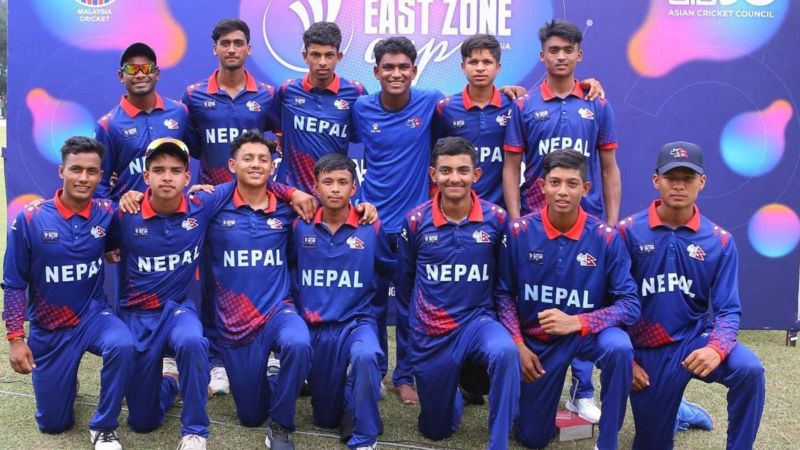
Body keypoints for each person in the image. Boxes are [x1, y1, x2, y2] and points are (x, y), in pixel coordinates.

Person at [502, 20, 622, 421]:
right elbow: (511, 167)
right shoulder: (524, 105)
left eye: (568, 50)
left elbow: (609, 166)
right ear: (542, 56)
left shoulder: (597, 103)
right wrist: (516, 218)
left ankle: (582, 389)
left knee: (584, 302)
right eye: (553, 50)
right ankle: (534, 377)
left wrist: (611, 221)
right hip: (535, 223)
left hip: (585, 223)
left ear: (579, 55)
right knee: (535, 301)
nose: (560, 56)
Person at [618, 141, 765, 449]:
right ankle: (678, 411)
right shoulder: (627, 232)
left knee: (749, 369)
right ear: (656, 180)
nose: (679, 185)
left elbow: (728, 310)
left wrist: (717, 348)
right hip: (647, 348)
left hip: (693, 339)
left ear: (702, 181)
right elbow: (611, 301)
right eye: (671, 177)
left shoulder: (719, 241)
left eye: (688, 178)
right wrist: (625, 359)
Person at [496, 150, 639, 449]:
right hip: (540, 343)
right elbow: (504, 294)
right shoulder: (519, 232)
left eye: (572, 184)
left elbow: (630, 305)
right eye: (555, 182)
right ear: (541, 186)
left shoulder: (605, 237)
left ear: (585, 189)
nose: (563, 191)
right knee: (532, 438)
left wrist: (578, 322)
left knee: (619, 346)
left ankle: (608, 441)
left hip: (587, 336)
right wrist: (518, 344)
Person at [3, 136, 135, 450]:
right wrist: (16, 339)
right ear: (62, 171)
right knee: (53, 425)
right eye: (76, 169)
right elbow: (14, 283)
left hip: (93, 316)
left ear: (100, 175)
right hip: (50, 328)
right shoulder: (30, 218)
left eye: (92, 171)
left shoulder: (107, 211)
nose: (83, 178)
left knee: (123, 344)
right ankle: (65, 382)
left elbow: (121, 235)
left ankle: (104, 427)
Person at [181, 18, 287, 396]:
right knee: (215, 280)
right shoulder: (194, 95)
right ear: (215, 48)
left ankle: (271, 352)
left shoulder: (268, 95)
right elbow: (190, 146)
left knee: (266, 277)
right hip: (216, 205)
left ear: (248, 48)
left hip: (259, 201)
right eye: (224, 43)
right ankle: (218, 362)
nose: (231, 49)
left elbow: (278, 140)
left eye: (238, 43)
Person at [111, 138, 236, 450]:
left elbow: (247, 180)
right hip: (137, 315)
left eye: (176, 170)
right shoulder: (125, 213)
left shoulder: (201, 205)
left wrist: (292, 192)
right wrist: (124, 196)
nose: (167, 177)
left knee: (193, 341)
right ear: (146, 176)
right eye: (159, 170)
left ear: (187, 177)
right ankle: (171, 382)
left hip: (177, 310)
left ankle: (195, 432)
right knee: (142, 423)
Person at [397, 136, 520, 449]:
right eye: (446, 170)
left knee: (504, 351)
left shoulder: (497, 219)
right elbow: (406, 286)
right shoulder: (415, 221)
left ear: (476, 174)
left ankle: (498, 443)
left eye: (463, 170)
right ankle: (451, 387)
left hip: (478, 322)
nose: (454, 178)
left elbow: (505, 283)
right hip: (433, 331)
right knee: (436, 430)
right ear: (433, 174)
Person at [203, 130, 312, 449]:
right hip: (236, 325)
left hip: (278, 311)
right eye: (248, 158)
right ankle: (277, 376)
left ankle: (281, 425)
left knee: (298, 342)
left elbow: (331, 209)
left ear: (272, 166)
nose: (256, 164)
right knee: (250, 416)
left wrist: (291, 192)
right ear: (232, 165)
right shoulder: (214, 204)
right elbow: (174, 205)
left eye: (263, 159)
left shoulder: (287, 207)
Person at [351, 36, 445, 405]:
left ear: (414, 71)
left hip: (414, 227)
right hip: (370, 223)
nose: (396, 73)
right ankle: (374, 372)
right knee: (371, 305)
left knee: (409, 308)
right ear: (376, 72)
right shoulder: (360, 107)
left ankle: (404, 376)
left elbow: (474, 101)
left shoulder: (431, 101)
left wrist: (514, 91)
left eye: (403, 67)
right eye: (388, 67)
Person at [291, 153, 394, 450]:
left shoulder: (370, 226)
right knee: (325, 418)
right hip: (317, 327)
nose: (335, 189)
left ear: (353, 188)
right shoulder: (300, 226)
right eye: (328, 182)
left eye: (342, 182)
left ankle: (365, 436)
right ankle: (357, 392)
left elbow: (386, 269)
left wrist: (371, 313)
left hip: (357, 322)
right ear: (315, 187)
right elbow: (289, 265)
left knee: (366, 355)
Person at [273, 21, 367, 195]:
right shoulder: (288, 90)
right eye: (315, 55)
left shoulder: (356, 93)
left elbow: (364, 136)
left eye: (329, 55)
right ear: (305, 56)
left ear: (339, 56)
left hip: (332, 195)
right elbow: (275, 126)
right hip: (291, 193)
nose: (322, 62)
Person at [95, 42, 190, 202]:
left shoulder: (180, 112)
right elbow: (99, 184)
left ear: (157, 73)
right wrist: (114, 212)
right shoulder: (108, 125)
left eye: (146, 68)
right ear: (121, 76)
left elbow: (200, 152)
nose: (140, 75)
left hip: (173, 212)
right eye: (132, 69)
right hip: (130, 214)